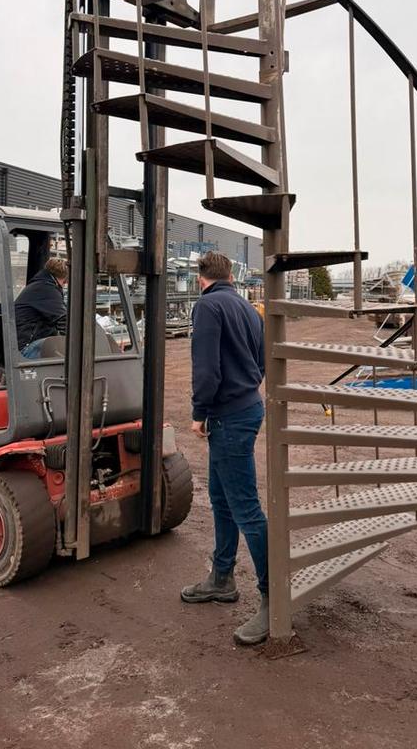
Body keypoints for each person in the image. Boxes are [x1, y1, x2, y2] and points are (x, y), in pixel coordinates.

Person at [180, 251, 269, 646]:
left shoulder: (208, 307)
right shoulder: (249, 308)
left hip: (228, 417)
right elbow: (262, 361)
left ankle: (273, 600)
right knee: (221, 498)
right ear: (230, 274)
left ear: (201, 277)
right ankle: (222, 578)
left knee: (246, 508)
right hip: (247, 406)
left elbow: (206, 369)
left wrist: (200, 412)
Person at [15, 257, 68, 359]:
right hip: (26, 350)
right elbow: (63, 320)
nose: (65, 283)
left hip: (26, 343)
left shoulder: (40, 285)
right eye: (65, 280)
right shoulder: (46, 289)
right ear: (64, 277)